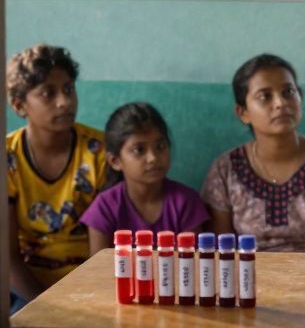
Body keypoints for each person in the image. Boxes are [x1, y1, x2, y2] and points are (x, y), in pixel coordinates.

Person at [201, 54, 305, 252]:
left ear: (300, 98)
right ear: (243, 112)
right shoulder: (225, 170)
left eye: (288, 92)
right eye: (265, 96)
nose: (280, 103)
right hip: (248, 280)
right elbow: (223, 260)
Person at [6, 44, 109, 307]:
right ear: (20, 106)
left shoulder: (99, 152)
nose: (64, 102)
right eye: (47, 94)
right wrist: (45, 309)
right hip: (29, 286)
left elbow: (103, 255)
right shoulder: (6, 158)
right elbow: (7, 257)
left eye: (69, 90)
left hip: (91, 284)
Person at [81, 102, 212, 255]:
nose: (152, 158)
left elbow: (190, 268)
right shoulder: (104, 208)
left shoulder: (186, 202)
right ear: (115, 161)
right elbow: (100, 272)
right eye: (139, 150)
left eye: (160, 146)